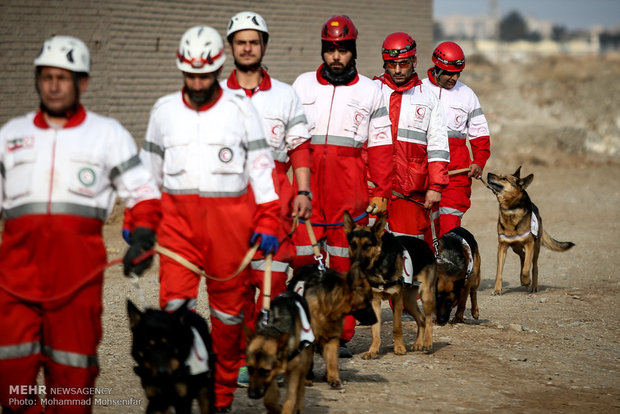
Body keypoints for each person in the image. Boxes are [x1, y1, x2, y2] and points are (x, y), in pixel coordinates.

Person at [0, 35, 161, 413]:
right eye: (47, 76)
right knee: (8, 382)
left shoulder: (108, 135)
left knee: (72, 387)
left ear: (82, 83)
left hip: (77, 284)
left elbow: (144, 192)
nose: (54, 85)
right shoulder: (11, 136)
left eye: (64, 77)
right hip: (15, 282)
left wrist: (143, 235)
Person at [138, 26, 280, 412]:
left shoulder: (239, 108)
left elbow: (261, 169)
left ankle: (218, 401)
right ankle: (177, 394)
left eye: (205, 75)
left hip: (230, 233)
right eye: (190, 75)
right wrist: (140, 223)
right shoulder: (163, 111)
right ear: (181, 69)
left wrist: (268, 219)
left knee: (229, 321)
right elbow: (147, 175)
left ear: (219, 68)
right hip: (177, 232)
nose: (197, 82)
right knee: (172, 319)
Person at [291, 15, 393, 357]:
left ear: (353, 52)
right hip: (307, 186)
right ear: (323, 50)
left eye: (343, 50)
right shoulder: (302, 85)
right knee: (302, 260)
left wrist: (381, 190)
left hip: (349, 188)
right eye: (331, 49)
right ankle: (303, 327)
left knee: (345, 263)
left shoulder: (371, 90)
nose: (336, 56)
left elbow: (380, 145)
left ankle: (342, 335)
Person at [221, 11, 313, 387]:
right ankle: (240, 358)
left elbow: (300, 147)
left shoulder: (285, 94)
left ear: (263, 46)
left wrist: (303, 190)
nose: (247, 47)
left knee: (272, 283)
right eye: (241, 41)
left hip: (275, 197)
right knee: (233, 285)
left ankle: (271, 354)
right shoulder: (216, 94)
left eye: (254, 41)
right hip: (227, 198)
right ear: (231, 47)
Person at [373, 32, 449, 244]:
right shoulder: (371, 91)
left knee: (410, 251)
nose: (397, 70)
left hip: (410, 191)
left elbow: (438, 146)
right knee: (371, 253)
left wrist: (435, 187)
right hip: (374, 187)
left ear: (414, 61)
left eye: (403, 64)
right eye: (391, 64)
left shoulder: (428, 98)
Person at [422, 41, 491, 237]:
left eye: (458, 73)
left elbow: (480, 134)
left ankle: (451, 265)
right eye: (449, 73)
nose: (455, 78)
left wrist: (479, 161)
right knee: (424, 229)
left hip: (456, 174)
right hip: (423, 172)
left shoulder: (467, 95)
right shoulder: (418, 90)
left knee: (449, 229)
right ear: (436, 68)